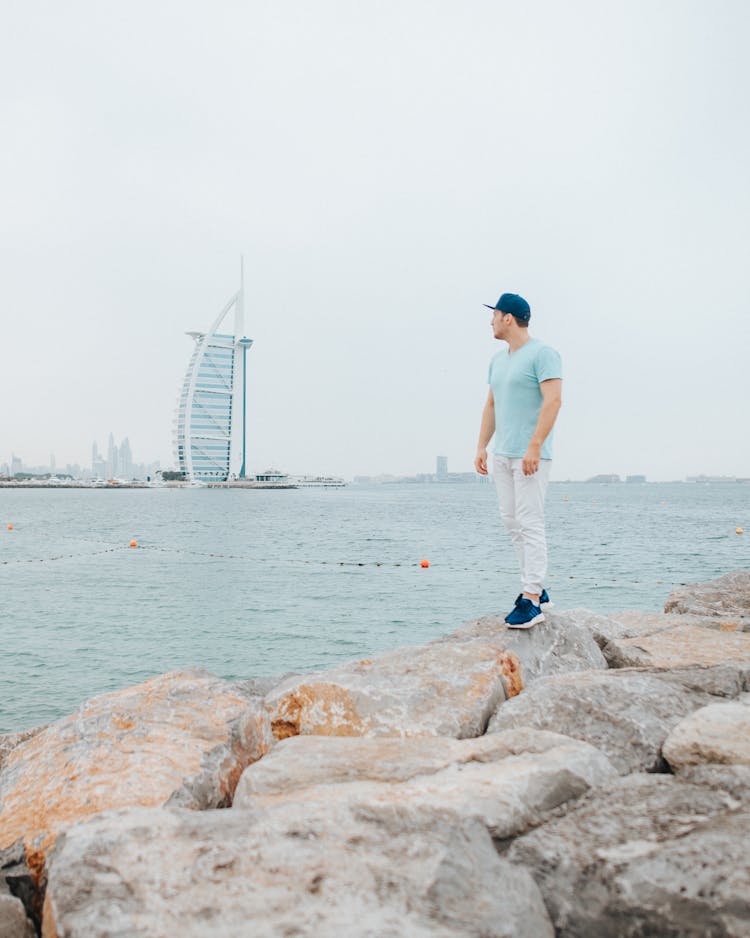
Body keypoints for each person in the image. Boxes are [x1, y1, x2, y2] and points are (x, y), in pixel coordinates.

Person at [474, 293, 562, 628]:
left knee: (530, 521)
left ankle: (531, 600)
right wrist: (482, 446)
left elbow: (554, 401)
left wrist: (535, 446)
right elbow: (491, 406)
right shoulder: (497, 360)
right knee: (512, 522)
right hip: (503, 454)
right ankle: (537, 587)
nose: (491, 322)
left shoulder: (544, 354)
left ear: (507, 317)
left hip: (530, 455)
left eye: (494, 315)